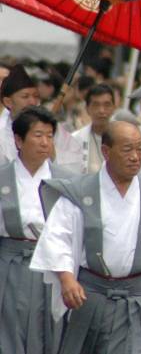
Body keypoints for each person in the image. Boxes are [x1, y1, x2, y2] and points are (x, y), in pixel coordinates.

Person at [30, 119, 141, 354]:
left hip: (135, 301)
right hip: (91, 297)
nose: (135, 157)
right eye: (127, 149)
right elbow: (57, 240)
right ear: (106, 152)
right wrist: (66, 279)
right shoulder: (81, 193)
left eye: (140, 148)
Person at [0, 107, 77, 354]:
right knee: (7, 325)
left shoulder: (66, 181)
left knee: (48, 329)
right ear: (18, 140)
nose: (45, 142)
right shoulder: (3, 177)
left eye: (49, 135)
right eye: (38, 135)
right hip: (9, 262)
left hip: (52, 265)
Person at [72, 84, 116, 175]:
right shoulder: (75, 139)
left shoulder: (124, 138)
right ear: (87, 109)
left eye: (107, 105)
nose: (101, 110)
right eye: (96, 105)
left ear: (113, 108)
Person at [1, 65, 42, 162]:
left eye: (36, 96)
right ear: (8, 102)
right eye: (25, 96)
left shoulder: (48, 131)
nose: (32, 102)